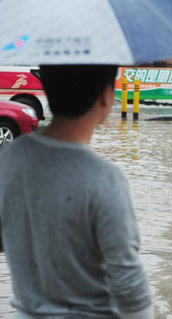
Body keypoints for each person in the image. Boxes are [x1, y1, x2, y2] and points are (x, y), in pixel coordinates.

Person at [0, 65, 153, 319]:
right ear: (106, 96)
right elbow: (129, 285)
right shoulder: (105, 178)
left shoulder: (9, 159)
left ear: (47, 91)